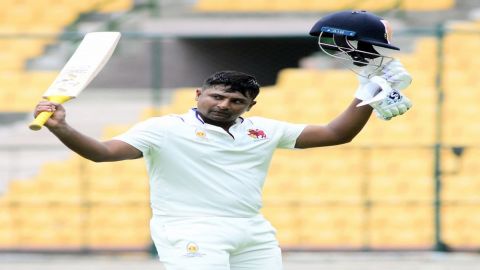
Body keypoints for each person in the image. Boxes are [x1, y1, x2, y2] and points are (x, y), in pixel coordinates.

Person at [33, 10, 412, 270]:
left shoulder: (261, 130)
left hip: (252, 230)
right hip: (191, 229)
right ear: (198, 93)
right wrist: (62, 127)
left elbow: (335, 134)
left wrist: (367, 92)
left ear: (249, 104)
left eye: (235, 100)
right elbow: (103, 154)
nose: (224, 104)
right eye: (216, 96)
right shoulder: (165, 128)